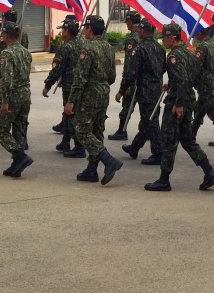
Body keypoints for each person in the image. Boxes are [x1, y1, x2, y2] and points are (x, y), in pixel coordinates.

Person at [144, 22, 214, 192]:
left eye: (164, 37)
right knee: (187, 139)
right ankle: (209, 171)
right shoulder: (188, 52)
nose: (163, 40)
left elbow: (183, 79)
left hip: (177, 103)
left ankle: (164, 180)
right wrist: (171, 84)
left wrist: (178, 104)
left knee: (168, 140)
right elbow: (189, 76)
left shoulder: (173, 56)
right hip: (188, 99)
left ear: (172, 38)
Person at [67, 15, 123, 186]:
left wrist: (71, 101)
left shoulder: (87, 48)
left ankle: (108, 160)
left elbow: (80, 77)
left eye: (85, 27)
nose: (84, 30)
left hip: (90, 93)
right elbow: (112, 76)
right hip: (103, 92)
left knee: (82, 130)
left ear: (89, 29)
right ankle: (92, 169)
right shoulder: (108, 47)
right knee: (97, 131)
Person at [119, 18, 166, 164]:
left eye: (139, 29)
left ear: (143, 31)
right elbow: (163, 68)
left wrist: (122, 90)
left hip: (145, 91)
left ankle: (158, 153)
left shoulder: (139, 49)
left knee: (151, 121)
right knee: (147, 120)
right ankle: (135, 147)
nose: (137, 31)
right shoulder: (160, 48)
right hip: (156, 89)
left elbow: (131, 72)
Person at [0, 21, 34, 178]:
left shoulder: (7, 53)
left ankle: (19, 156)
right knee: (19, 128)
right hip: (25, 94)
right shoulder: (25, 52)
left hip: (13, 95)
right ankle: (17, 164)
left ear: (6, 35)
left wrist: (4, 102)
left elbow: (7, 79)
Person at [45, 16, 85, 157]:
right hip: (81, 85)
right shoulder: (83, 44)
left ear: (67, 31)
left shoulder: (65, 47)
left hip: (70, 86)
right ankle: (65, 141)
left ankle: (79, 146)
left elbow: (57, 69)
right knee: (69, 114)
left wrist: (47, 85)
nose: (61, 32)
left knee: (71, 114)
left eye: (63, 29)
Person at [109, 11, 142, 141]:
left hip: (133, 80)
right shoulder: (144, 36)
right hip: (145, 81)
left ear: (131, 22)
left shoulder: (132, 39)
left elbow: (129, 65)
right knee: (147, 108)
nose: (126, 24)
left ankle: (122, 130)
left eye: (127, 21)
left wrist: (123, 88)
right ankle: (150, 132)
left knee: (127, 107)